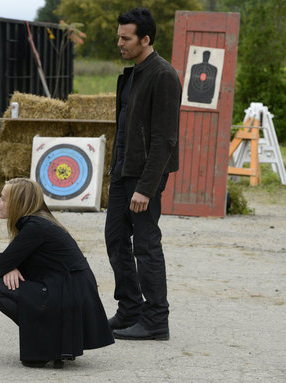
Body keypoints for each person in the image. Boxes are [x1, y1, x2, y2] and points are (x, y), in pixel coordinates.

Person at [105, 7, 182, 341]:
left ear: (145, 39)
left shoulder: (163, 75)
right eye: (119, 36)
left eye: (126, 38)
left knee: (146, 245)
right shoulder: (134, 72)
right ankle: (130, 309)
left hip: (144, 178)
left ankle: (156, 320)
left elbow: (165, 138)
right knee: (115, 238)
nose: (119, 42)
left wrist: (147, 188)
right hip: (123, 173)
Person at [0, 178, 114, 368]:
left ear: (19, 204)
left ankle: (48, 341)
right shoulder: (39, 221)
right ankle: (49, 341)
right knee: (4, 282)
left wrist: (9, 264)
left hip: (67, 292)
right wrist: (12, 265)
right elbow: (13, 261)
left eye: (3, 199)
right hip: (68, 289)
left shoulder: (35, 227)